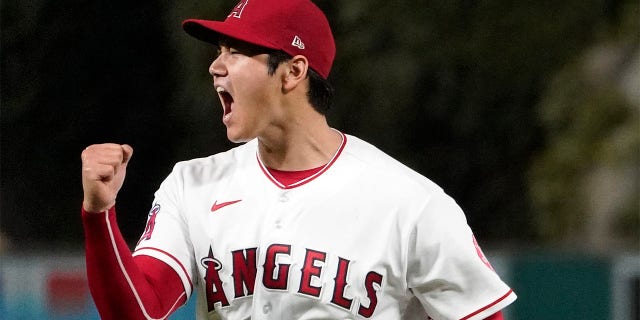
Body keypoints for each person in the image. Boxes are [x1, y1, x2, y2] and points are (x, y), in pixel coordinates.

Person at [80, 0, 517, 319]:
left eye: (236, 51)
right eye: (218, 50)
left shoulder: (411, 203)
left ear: (293, 71)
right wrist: (99, 215)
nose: (216, 66)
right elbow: (138, 311)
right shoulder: (192, 185)